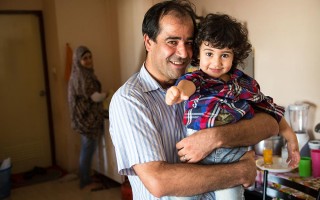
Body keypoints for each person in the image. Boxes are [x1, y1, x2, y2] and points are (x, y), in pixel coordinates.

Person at [109, 1, 279, 199]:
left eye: (189, 43)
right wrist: (240, 171)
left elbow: (270, 124)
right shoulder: (129, 100)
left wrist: (215, 138)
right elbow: (160, 182)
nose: (183, 53)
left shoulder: (206, 82)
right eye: (172, 41)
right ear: (148, 42)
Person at [165, 13, 300, 200]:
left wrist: (291, 138)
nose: (216, 62)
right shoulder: (198, 78)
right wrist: (178, 92)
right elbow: (186, 85)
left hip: (232, 158)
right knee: (181, 197)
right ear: (198, 53)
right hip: (195, 159)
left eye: (225, 55)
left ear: (235, 55)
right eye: (209, 53)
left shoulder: (245, 84)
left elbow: (270, 109)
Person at [68, 45, 107, 190]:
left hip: (83, 118)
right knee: (87, 149)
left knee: (87, 148)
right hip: (86, 119)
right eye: (85, 58)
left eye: (90, 57)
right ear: (78, 61)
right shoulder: (83, 76)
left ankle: (85, 177)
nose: (89, 60)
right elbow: (95, 97)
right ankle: (84, 180)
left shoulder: (81, 73)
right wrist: (107, 95)